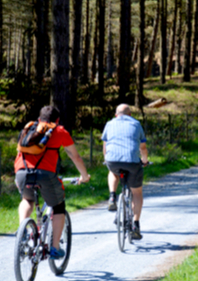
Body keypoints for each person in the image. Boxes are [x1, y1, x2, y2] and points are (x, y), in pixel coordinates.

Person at [14, 106, 90, 259]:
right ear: (57, 120)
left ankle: (22, 231)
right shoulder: (60, 131)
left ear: (39, 118)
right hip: (45, 175)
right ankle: (55, 248)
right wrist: (84, 176)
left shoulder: (28, 128)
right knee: (58, 206)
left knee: (27, 199)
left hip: (21, 172)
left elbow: (19, 152)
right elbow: (75, 157)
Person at [101, 104, 149, 240]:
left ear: (116, 115)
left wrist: (107, 160)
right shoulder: (136, 124)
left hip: (112, 160)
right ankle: (135, 224)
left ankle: (112, 196)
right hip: (132, 162)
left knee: (113, 171)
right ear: (130, 115)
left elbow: (105, 147)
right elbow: (143, 148)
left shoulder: (109, 124)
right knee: (137, 192)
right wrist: (144, 161)